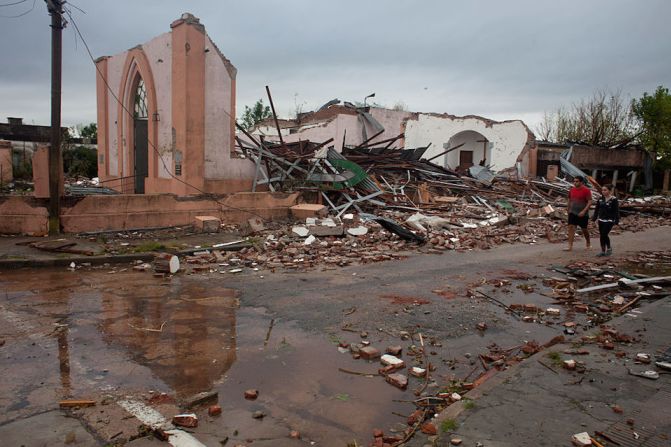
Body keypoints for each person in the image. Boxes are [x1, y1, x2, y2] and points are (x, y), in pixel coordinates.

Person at [565, 176, 592, 251]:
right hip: (572, 212)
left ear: (581, 182)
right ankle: (570, 246)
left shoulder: (586, 190)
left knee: (584, 229)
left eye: (577, 181)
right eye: (574, 181)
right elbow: (570, 199)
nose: (575, 183)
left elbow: (590, 201)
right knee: (571, 228)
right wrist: (568, 208)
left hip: (582, 213)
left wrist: (584, 211)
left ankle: (588, 242)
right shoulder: (572, 190)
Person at [592, 184, 619, 256]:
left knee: (604, 234)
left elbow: (616, 211)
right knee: (602, 235)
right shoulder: (600, 199)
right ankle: (603, 251)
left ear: (609, 191)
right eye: (602, 190)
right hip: (601, 219)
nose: (603, 191)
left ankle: (609, 248)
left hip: (610, 220)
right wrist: (594, 218)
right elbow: (597, 209)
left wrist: (616, 221)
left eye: (605, 190)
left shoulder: (614, 199)